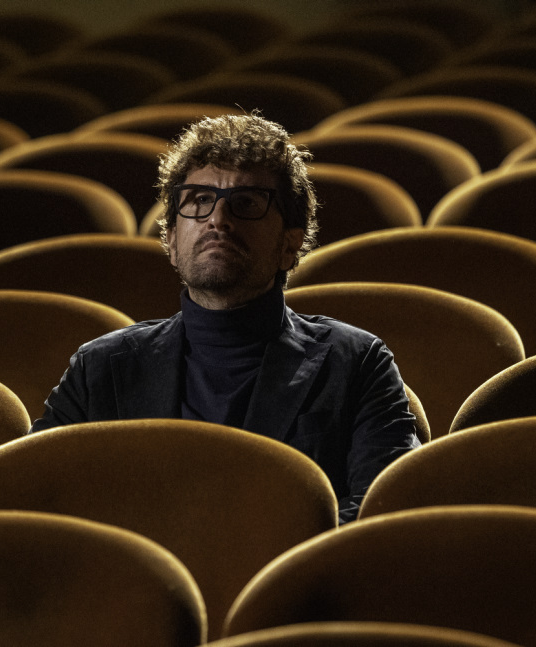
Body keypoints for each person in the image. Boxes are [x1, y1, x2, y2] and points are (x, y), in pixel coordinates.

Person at [30, 112, 420, 522]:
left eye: (246, 203)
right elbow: (31, 496)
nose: (218, 219)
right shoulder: (99, 367)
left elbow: (381, 510)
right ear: (172, 241)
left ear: (290, 244)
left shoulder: (357, 362)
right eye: (200, 200)